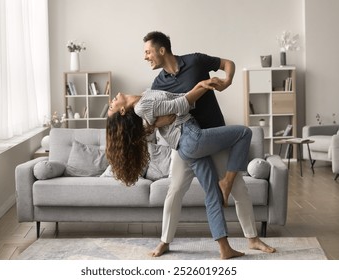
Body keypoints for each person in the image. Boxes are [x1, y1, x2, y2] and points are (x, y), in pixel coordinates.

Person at [142, 31, 276, 257]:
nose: (146, 57)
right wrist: (164, 120)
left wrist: (227, 81)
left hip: (213, 135)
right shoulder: (158, 83)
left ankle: (252, 238)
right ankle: (165, 241)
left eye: (148, 52)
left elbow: (227, 63)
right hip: (186, 141)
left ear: (161, 49)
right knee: (174, 191)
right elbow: (154, 118)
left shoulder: (194, 61)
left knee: (240, 189)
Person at [106, 78, 249, 259]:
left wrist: (158, 121)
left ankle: (225, 248)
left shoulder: (144, 97)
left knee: (213, 193)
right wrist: (201, 86)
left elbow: (172, 108)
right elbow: (182, 104)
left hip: (185, 147)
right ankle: (228, 181)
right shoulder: (141, 107)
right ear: (122, 110)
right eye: (112, 107)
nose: (110, 102)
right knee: (245, 133)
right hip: (192, 138)